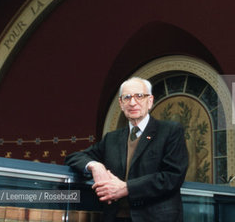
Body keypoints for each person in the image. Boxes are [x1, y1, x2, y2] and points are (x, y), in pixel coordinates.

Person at [65, 77, 189, 222]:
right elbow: (74, 157)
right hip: (116, 217)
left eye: (139, 96)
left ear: (150, 101)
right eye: (127, 97)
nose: (132, 102)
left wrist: (127, 188)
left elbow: (173, 176)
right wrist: (95, 166)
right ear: (121, 103)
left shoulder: (170, 131)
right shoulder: (112, 138)